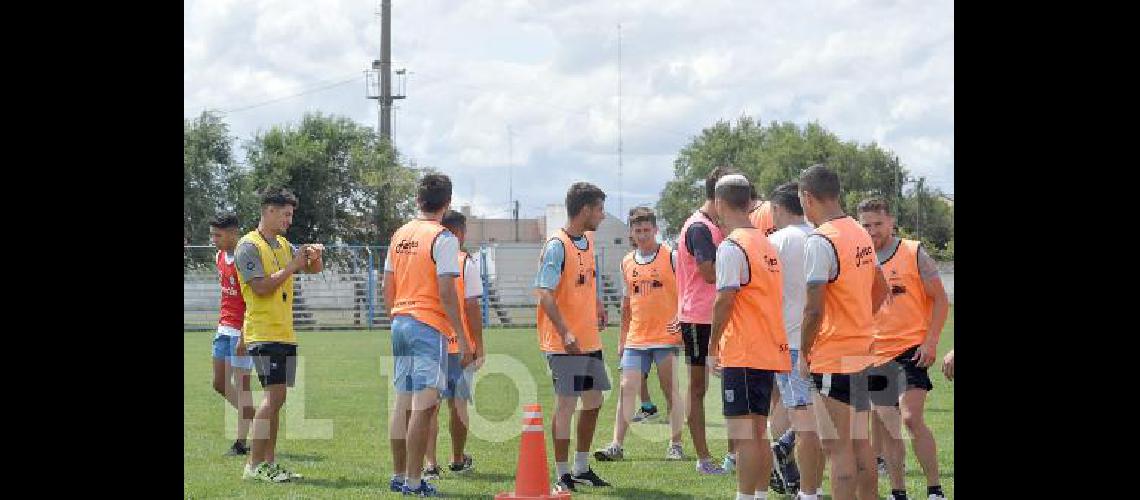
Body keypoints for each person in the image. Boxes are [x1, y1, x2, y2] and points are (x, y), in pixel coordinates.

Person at [797, 165, 889, 500]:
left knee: (837, 449)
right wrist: (859, 320)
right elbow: (881, 290)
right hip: (864, 350)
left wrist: (804, 353)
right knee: (861, 442)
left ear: (808, 198)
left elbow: (813, 310)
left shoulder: (821, 241)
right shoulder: (858, 230)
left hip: (833, 356)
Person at [384, 174, 473, 496]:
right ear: (447, 203)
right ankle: (413, 480)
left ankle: (398, 475)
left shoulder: (400, 235)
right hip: (428, 325)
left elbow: (386, 286)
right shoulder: (443, 237)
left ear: (418, 200)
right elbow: (448, 292)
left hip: (400, 321)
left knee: (402, 403)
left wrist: (395, 316)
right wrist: (462, 339)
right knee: (424, 405)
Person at [858, 198, 949, 500]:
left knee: (910, 417)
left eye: (878, 224)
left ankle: (934, 489)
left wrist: (931, 341)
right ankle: (899, 492)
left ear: (891, 221)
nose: (872, 231)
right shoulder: (860, 258)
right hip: (874, 353)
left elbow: (940, 300)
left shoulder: (913, 251)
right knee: (887, 424)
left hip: (912, 349)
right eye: (866, 225)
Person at [706, 173, 790, 500]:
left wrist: (712, 347)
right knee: (759, 432)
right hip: (767, 348)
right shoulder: (765, 243)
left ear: (719, 203)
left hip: (744, 350)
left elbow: (724, 299)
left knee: (744, 435)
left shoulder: (732, 246)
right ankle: (759, 495)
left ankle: (745, 496)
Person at [235, 187, 325, 483]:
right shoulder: (248, 246)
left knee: (278, 398)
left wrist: (314, 257)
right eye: (285, 214)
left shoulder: (283, 244)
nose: (289, 219)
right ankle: (253, 464)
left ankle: (268, 463)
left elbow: (311, 270)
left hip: (284, 333)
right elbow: (260, 287)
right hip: (263, 332)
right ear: (269, 211)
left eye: (291, 214)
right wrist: (293, 266)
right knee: (273, 397)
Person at [535, 182, 613, 492]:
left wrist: (597, 305)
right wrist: (565, 331)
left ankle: (581, 467)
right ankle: (562, 473)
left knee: (593, 402)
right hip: (563, 342)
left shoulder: (589, 240)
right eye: (599, 209)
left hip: (589, 339)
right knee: (566, 405)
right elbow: (544, 293)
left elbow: (586, 279)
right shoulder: (557, 245)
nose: (603, 215)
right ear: (584, 211)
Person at [594, 206, 685, 462]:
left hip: (666, 337)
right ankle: (616, 445)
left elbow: (688, 291)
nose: (643, 234)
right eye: (638, 230)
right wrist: (623, 339)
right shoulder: (626, 262)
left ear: (655, 230)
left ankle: (675, 445)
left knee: (670, 391)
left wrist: (681, 318)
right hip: (636, 337)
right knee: (626, 388)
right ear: (631, 233)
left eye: (647, 230)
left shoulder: (671, 257)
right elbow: (626, 304)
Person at [673, 165, 739, 475]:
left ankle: (734, 454)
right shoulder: (700, 228)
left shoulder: (714, 226)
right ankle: (703, 458)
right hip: (700, 318)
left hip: (719, 314)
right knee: (698, 388)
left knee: (732, 384)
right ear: (718, 197)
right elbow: (708, 271)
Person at [767, 182, 826, 499]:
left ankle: (798, 476)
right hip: (826, 339)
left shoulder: (776, 241)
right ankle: (800, 476)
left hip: (789, 339)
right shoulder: (821, 236)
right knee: (818, 412)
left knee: (801, 414)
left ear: (777, 208)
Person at [422, 209, 485, 479]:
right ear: (458, 232)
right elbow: (472, 307)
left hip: (430, 339)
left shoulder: (426, 258)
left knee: (428, 406)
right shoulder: (464, 262)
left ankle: (430, 465)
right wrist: (478, 344)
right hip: (458, 344)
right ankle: (458, 459)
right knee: (458, 405)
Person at [208, 212, 255, 457]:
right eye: (212, 234)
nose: (213, 239)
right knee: (219, 382)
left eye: (218, 235)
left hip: (241, 331)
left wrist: (244, 335)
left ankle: (240, 442)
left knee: (243, 386)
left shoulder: (243, 258)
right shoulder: (219, 257)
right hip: (223, 329)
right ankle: (253, 414)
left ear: (233, 233)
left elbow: (252, 299)